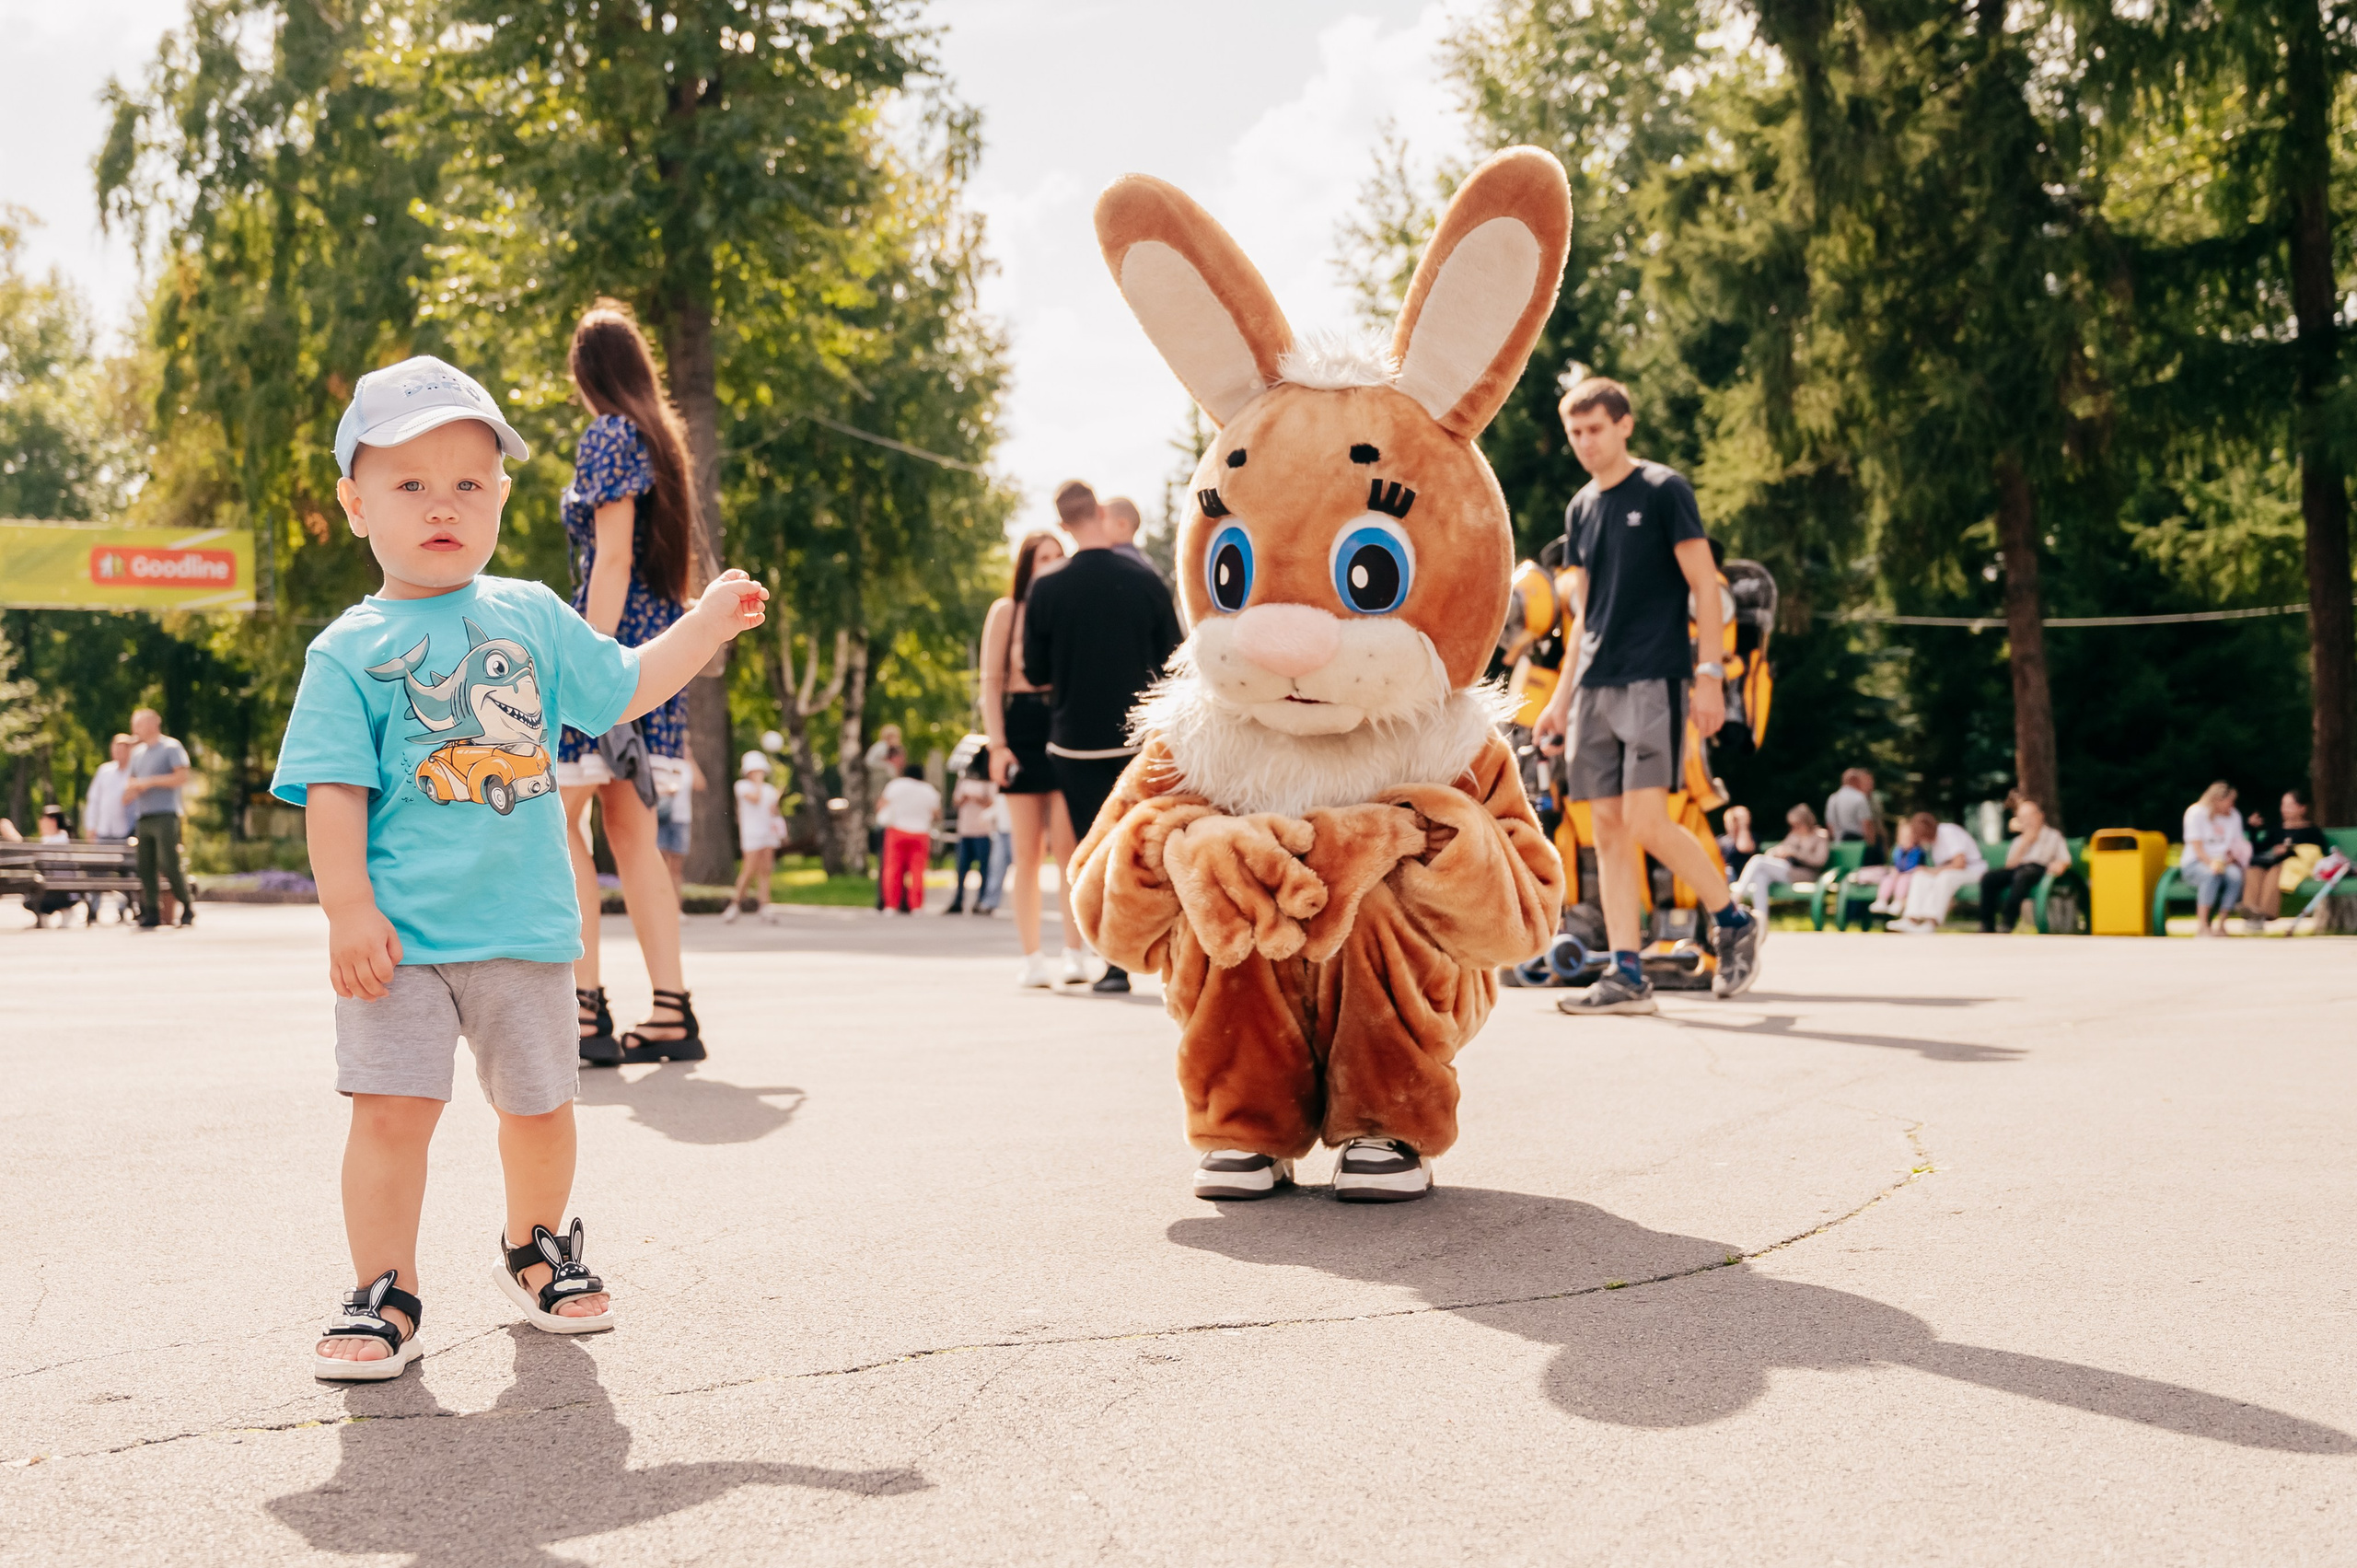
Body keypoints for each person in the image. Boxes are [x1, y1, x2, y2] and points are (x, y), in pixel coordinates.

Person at [270, 353, 768, 1379]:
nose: (441, 504)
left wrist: (706, 625)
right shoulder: (347, 648)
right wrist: (347, 909)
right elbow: (331, 792)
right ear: (355, 504)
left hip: (530, 929)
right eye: (410, 484)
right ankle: (383, 1288)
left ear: (501, 496)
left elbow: (623, 686)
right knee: (390, 1115)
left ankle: (535, 1244)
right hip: (400, 943)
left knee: (540, 1110)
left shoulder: (533, 613)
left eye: (467, 482)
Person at [1531, 378, 1762, 1014]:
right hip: (1593, 688)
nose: (1585, 443)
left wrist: (1711, 673)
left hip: (1653, 677)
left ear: (1624, 425)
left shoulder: (1664, 490)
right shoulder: (1581, 508)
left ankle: (1733, 920)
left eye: (1595, 429)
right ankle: (1628, 975)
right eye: (1575, 433)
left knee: (1646, 821)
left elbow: (1705, 589)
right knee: (1602, 828)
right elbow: (1582, 616)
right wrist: (1559, 699)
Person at [553, 302, 706, 1063]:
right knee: (632, 837)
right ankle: (672, 1010)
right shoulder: (659, 438)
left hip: (612, 649)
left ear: (586, 372)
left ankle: (584, 1009)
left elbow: (611, 559)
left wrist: (588, 664)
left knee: (557, 822)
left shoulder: (610, 434)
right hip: (657, 648)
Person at [1024, 479, 1186, 994]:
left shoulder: (1047, 588)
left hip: (1073, 741)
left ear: (1063, 523)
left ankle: (1111, 964)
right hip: (1136, 739)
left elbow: (1035, 669)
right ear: (1098, 511)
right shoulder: (1144, 582)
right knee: (1146, 846)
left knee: (1093, 851)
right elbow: (1174, 659)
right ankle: (1170, 953)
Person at [981, 530, 1083, 986]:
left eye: (1060, 557)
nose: (1052, 565)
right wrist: (997, 745)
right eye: (1044, 557)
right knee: (1027, 851)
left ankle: (1075, 953)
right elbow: (991, 682)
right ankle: (1031, 958)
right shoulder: (1007, 611)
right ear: (1027, 564)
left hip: (1061, 724)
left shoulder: (1067, 611)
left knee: (1068, 848)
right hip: (1019, 726)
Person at [123, 706, 195, 929]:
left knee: (169, 863)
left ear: (154, 723)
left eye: (139, 724)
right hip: (143, 816)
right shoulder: (137, 754)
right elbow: (132, 783)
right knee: (145, 865)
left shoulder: (171, 747)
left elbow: (182, 777)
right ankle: (152, 911)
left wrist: (151, 781)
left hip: (166, 814)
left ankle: (187, 905)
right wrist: (131, 791)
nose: (135, 729)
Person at [1978, 796, 2074, 934]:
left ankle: (2007, 922)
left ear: (2040, 816)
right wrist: (2025, 843)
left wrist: (2059, 865)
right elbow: (2010, 865)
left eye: (2030, 815)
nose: (2028, 820)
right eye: (2023, 817)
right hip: (2018, 869)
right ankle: (1986, 925)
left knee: (2023, 875)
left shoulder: (2053, 836)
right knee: (1989, 878)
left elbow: (2065, 859)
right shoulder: (2019, 840)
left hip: (2039, 869)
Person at [2242, 789, 2328, 925]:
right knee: (2254, 869)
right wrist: (2252, 829)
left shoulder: (2312, 831)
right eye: (2283, 805)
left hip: (2293, 868)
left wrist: (2291, 849)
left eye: (2290, 805)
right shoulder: (2277, 829)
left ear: (2302, 808)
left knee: (2275, 871)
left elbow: (2319, 853)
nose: (2285, 809)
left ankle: (2263, 914)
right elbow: (2258, 849)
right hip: (2272, 864)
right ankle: (2251, 912)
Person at [1891, 811, 1987, 932]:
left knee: (1945, 877)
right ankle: (1911, 919)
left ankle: (1930, 923)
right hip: (1951, 873)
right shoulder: (1932, 843)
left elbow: (1959, 864)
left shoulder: (1948, 832)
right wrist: (1929, 872)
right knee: (1920, 875)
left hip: (1973, 870)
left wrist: (1932, 871)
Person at [1728, 804, 1831, 915]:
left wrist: (1796, 853)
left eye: (1797, 824)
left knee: (1758, 860)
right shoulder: (1794, 835)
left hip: (1806, 874)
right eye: (1792, 825)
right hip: (1789, 870)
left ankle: (1736, 897)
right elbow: (1778, 849)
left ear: (1806, 821)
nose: (1794, 828)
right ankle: (1761, 918)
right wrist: (1776, 853)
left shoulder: (1820, 835)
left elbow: (1820, 861)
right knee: (1761, 877)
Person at [2179, 780, 2247, 937]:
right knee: (2211, 875)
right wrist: (2213, 864)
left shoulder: (2234, 816)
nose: (2232, 805)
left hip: (2224, 862)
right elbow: (2197, 847)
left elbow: (2236, 844)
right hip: (2197, 862)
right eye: (2229, 801)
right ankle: (2202, 925)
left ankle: (2222, 925)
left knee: (2235, 876)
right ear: (2217, 800)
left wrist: (2229, 859)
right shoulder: (2196, 813)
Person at [876, 761, 940, 915]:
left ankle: (891, 905)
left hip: (897, 830)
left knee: (893, 869)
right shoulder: (929, 790)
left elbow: (881, 805)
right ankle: (916, 906)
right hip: (920, 833)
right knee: (917, 871)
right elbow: (937, 814)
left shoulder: (896, 785)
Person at [726, 751, 783, 925]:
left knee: (765, 870)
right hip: (751, 834)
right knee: (748, 870)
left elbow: (773, 811)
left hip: (767, 834)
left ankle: (764, 905)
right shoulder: (741, 786)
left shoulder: (769, 790)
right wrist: (758, 785)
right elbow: (756, 799)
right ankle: (735, 904)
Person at [650, 743, 702, 898]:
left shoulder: (686, 766)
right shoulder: (661, 762)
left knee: (676, 869)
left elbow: (700, 784)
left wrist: (690, 760)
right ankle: (660, 906)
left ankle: (676, 908)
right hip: (662, 818)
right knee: (660, 865)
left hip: (681, 819)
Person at [946, 752, 995, 914]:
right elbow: (956, 801)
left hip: (983, 831)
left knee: (984, 869)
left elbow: (992, 803)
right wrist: (966, 798)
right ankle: (958, 900)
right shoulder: (964, 781)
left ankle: (981, 901)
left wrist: (977, 798)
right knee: (961, 869)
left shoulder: (990, 782)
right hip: (965, 830)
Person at [1864, 817, 1926, 915]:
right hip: (1897, 875)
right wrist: (1894, 872)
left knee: (1903, 881)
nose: (1907, 839)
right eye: (1904, 837)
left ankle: (1898, 902)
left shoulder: (1919, 852)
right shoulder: (1897, 851)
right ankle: (1881, 900)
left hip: (1910, 877)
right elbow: (1892, 864)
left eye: (1909, 837)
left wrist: (1905, 873)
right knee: (1888, 879)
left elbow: (1919, 867)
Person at [84, 733, 134, 842]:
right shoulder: (104, 771)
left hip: (128, 831)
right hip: (103, 830)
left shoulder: (135, 772)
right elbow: (93, 800)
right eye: (116, 747)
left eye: (122, 748)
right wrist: (90, 826)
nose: (118, 751)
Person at [1825, 768, 1883, 855]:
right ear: (1854, 780)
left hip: (1839, 845)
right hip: (1858, 846)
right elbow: (1866, 823)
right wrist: (1872, 845)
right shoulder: (1859, 797)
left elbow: (1830, 825)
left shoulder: (1833, 798)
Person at [1103, 495, 1158, 575]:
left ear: (1122, 525)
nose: (1097, 526)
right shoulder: (1145, 561)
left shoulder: (1118, 559)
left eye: (1102, 519)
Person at [981, 787, 1012, 915]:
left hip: (1017, 833)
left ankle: (1027, 903)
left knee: (1025, 869)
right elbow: (994, 810)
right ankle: (990, 902)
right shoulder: (1000, 794)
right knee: (996, 868)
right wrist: (984, 816)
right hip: (1001, 833)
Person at [1716, 803, 1757, 879]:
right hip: (1723, 874)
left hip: (1744, 876)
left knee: (1729, 871)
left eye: (1737, 819)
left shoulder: (1751, 837)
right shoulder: (1720, 840)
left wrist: (1743, 826)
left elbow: (1744, 848)